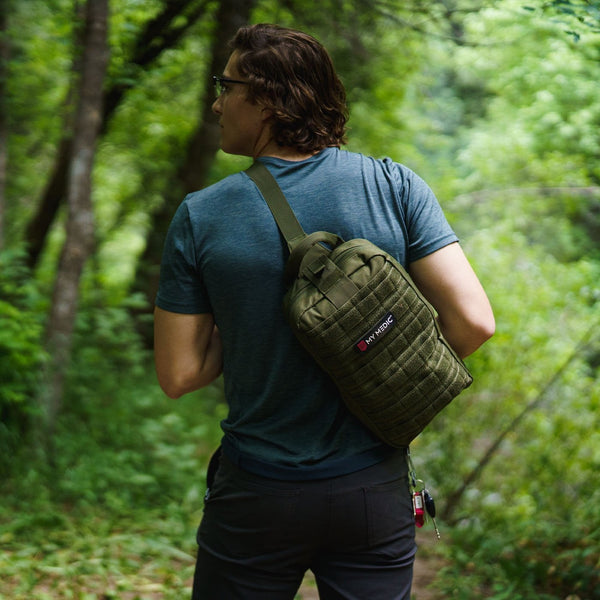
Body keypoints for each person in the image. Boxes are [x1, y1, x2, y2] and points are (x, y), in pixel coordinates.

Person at [154, 23, 494, 600]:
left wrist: (244, 317)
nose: (216, 102)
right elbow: (475, 323)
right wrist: (386, 363)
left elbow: (179, 374)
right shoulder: (396, 186)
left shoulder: (202, 216)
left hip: (257, 492)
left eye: (225, 85)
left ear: (266, 99)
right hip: (372, 489)